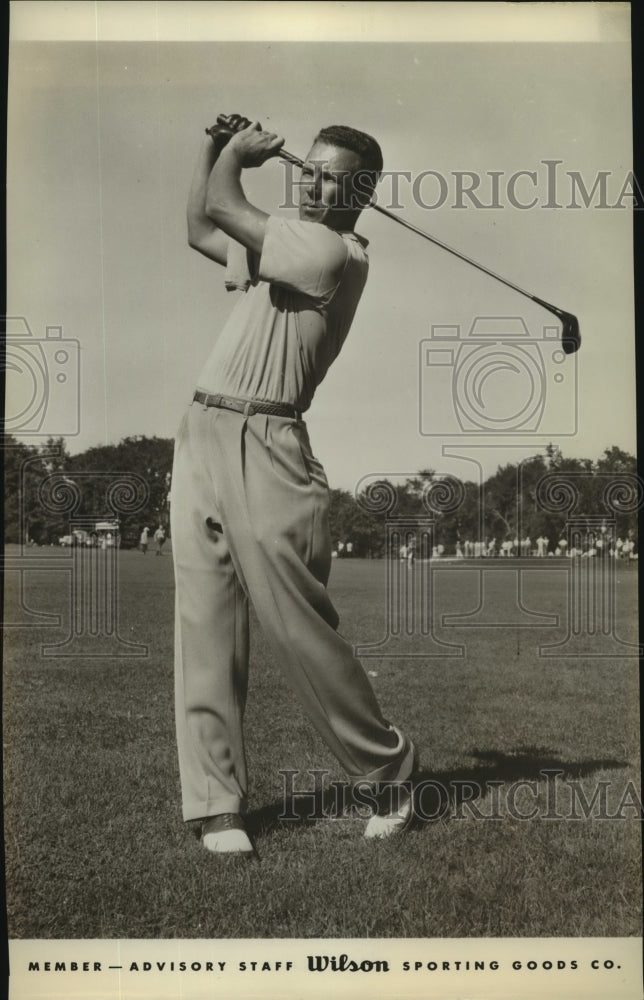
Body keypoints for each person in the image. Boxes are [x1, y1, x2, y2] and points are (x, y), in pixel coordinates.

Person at [172, 116, 416, 856]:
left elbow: (221, 207)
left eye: (327, 175)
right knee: (204, 624)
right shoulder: (283, 238)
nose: (308, 181)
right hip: (202, 433)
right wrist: (211, 148)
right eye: (304, 168)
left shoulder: (329, 249)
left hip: (271, 444)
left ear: (360, 193)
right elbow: (197, 227)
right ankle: (219, 807)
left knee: (298, 628)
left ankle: (388, 770)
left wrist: (237, 159)